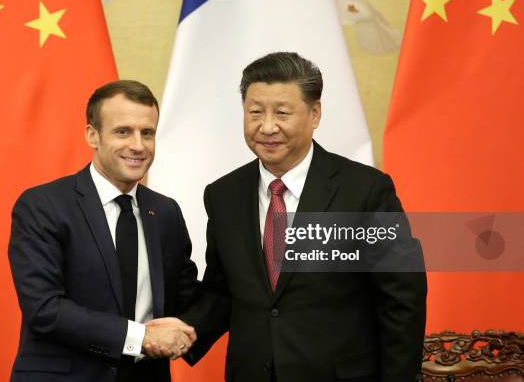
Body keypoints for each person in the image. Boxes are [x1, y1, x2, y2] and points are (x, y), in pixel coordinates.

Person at [178, 52, 427, 381]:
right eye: (255, 113)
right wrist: (182, 331)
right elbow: (223, 291)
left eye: (282, 112)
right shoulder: (224, 195)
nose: (267, 127)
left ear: (315, 113)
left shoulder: (365, 191)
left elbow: (401, 299)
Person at [8, 80, 199, 382]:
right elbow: (44, 308)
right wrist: (140, 337)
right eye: (123, 131)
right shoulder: (43, 205)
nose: (138, 145)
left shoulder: (165, 212)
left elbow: (187, 298)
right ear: (92, 135)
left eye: (147, 133)